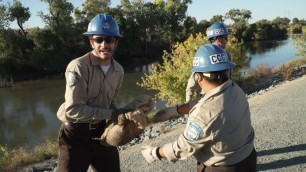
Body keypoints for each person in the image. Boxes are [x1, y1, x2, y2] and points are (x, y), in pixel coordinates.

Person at [143, 44, 257, 172]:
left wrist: (155, 153)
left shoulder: (203, 114)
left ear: (199, 77)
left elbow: (183, 147)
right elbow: (208, 102)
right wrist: (175, 110)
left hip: (223, 168)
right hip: (248, 158)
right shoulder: (234, 88)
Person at [56, 13, 141, 172]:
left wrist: (118, 122)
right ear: (91, 42)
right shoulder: (78, 67)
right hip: (75, 135)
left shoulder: (119, 71)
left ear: (115, 42)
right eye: (99, 40)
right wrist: (114, 114)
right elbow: (73, 109)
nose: (104, 44)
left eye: (109, 40)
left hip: (102, 132)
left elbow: (111, 102)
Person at [186, 22, 230, 102]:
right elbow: (192, 81)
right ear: (219, 39)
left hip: (225, 94)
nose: (227, 41)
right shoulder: (205, 55)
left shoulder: (226, 54)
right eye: (226, 38)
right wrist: (188, 103)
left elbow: (229, 76)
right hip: (208, 98)